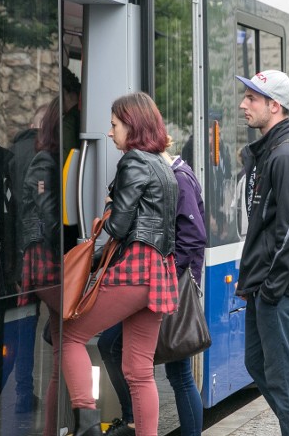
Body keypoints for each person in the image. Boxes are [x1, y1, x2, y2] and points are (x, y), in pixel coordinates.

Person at [61, 92, 179, 436]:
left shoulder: (134, 161)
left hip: (136, 267)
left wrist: (87, 260)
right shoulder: (162, 165)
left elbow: (118, 225)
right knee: (139, 370)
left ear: (133, 125)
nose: (110, 133)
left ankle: (86, 427)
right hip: (159, 272)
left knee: (71, 335)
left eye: (114, 125)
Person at [98, 151, 206, 436]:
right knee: (174, 370)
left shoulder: (179, 179)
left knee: (178, 372)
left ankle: (134, 420)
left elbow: (194, 236)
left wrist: (166, 270)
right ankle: (134, 420)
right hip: (167, 283)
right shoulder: (172, 175)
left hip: (172, 286)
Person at [235, 70, 289, 436]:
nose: (243, 104)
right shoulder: (269, 152)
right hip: (265, 284)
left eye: (252, 98)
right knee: (258, 363)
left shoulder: (285, 156)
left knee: (283, 376)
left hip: (278, 288)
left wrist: (271, 287)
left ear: (275, 106)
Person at [17, 98, 65, 436]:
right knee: (67, 341)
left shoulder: (48, 159)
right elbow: (50, 216)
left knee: (64, 348)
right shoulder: (43, 161)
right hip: (44, 258)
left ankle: (59, 426)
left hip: (48, 257)